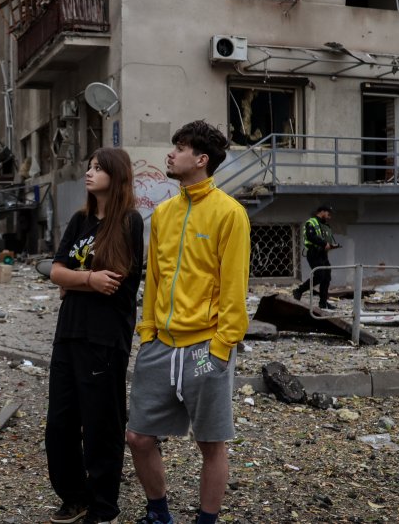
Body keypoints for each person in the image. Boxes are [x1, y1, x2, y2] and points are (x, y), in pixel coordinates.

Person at [126, 120, 251, 524]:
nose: (171, 154)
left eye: (180, 148)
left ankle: (206, 520)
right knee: (138, 437)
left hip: (204, 352)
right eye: (174, 147)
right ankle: (159, 513)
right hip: (160, 347)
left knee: (211, 443)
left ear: (201, 159)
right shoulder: (163, 213)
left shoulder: (230, 214)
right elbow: (155, 278)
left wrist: (220, 348)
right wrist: (146, 334)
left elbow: (234, 286)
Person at [46, 148, 144, 524]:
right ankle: (74, 496)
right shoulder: (79, 220)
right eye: (88, 166)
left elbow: (115, 282)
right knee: (60, 424)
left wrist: (75, 281)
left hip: (104, 339)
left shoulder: (128, 222)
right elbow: (56, 272)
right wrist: (86, 279)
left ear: (116, 175)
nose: (89, 173)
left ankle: (104, 508)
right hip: (68, 334)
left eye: (98, 168)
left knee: (102, 425)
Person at [292, 204, 339, 310]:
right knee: (319, 276)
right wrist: (324, 244)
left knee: (326, 277)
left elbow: (325, 238)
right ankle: (299, 291)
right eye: (328, 214)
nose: (329, 216)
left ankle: (323, 303)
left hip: (323, 254)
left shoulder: (324, 225)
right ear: (322, 211)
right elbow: (311, 236)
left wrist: (331, 245)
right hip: (314, 253)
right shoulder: (311, 222)